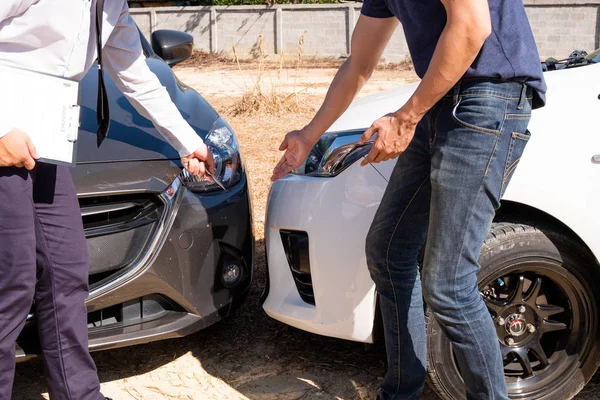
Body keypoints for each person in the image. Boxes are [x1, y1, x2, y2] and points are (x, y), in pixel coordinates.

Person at [271, 0, 546, 398]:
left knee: (449, 284)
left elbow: (471, 26)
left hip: (489, 101)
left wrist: (406, 116)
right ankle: (401, 392)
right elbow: (358, 64)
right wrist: (309, 134)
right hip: (441, 104)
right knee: (388, 251)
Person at [0, 1, 214, 399]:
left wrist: (189, 143)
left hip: (44, 140)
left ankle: (78, 392)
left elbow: (134, 74)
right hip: (4, 140)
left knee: (66, 270)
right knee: (11, 281)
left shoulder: (112, 6)